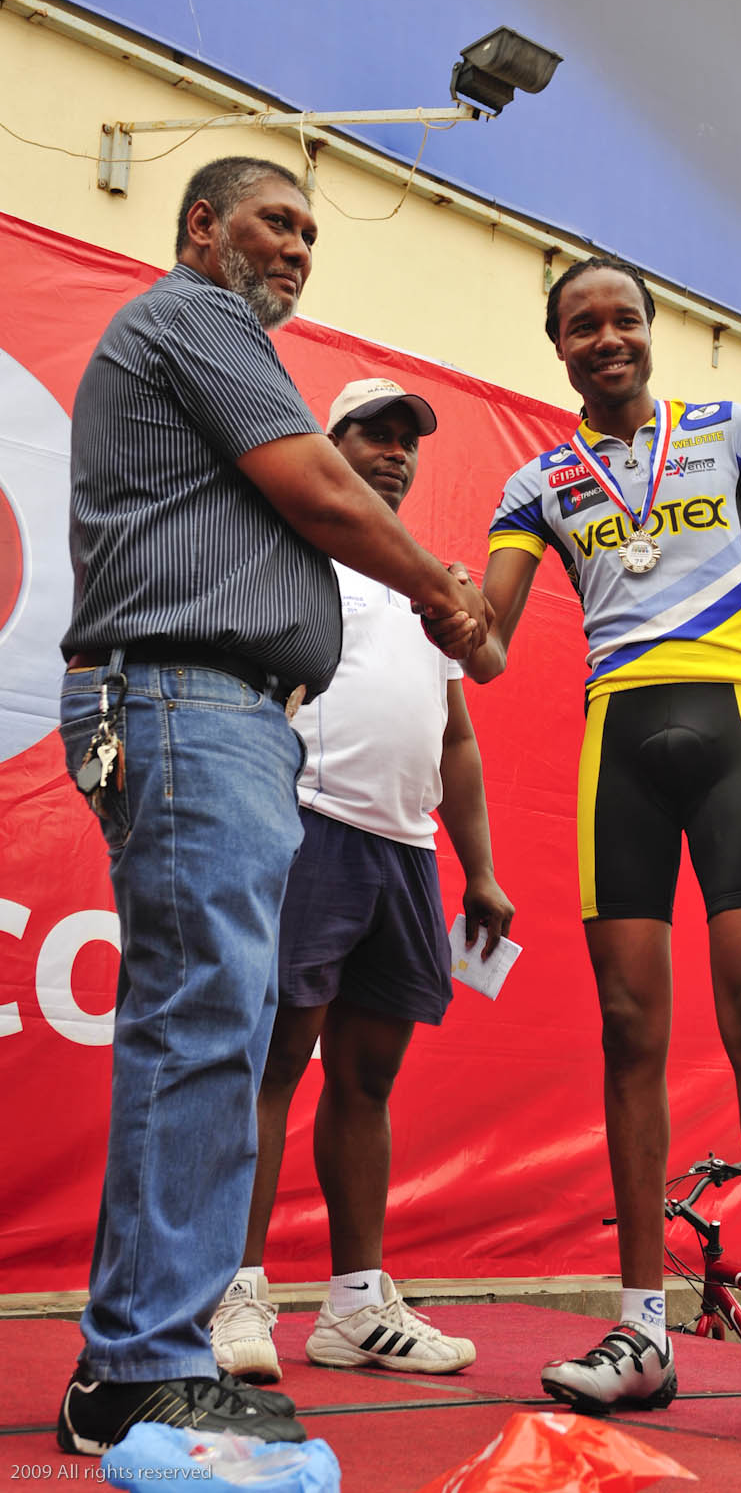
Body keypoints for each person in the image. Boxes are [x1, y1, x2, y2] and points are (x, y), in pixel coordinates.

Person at [55, 157, 488, 1457]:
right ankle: (140, 1364)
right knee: (202, 1030)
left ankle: (146, 1356)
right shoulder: (196, 315)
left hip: (222, 711)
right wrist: (444, 594)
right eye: (273, 221)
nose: (298, 245)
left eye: (308, 231)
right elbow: (318, 487)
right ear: (203, 227)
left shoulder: (205, 344)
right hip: (188, 696)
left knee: (208, 1028)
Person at [440, 254, 741, 1446]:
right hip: (619, 749)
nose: (605, 338)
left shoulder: (728, 431)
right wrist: (451, 609)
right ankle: (641, 1330)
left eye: (621, 319)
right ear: (557, 348)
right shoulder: (537, 481)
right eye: (580, 325)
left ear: (650, 329)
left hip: (736, 729)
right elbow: (489, 643)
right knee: (629, 1029)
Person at [208, 378, 514, 1384]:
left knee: (367, 1080)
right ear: (328, 444)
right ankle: (233, 1289)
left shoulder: (426, 582)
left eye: (405, 441)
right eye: (374, 435)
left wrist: (479, 868)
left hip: (405, 851)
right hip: (308, 828)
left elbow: (456, 737)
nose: (394, 453)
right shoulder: (292, 550)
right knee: (274, 1063)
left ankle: (351, 1308)